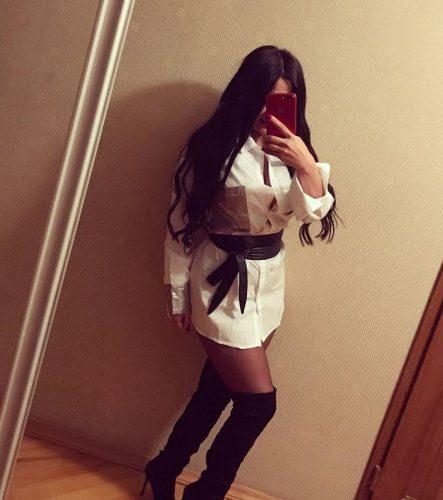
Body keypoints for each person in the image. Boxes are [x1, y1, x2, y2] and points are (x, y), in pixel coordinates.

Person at [140, 45, 340, 499]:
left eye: (281, 101)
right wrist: (177, 296)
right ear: (245, 94)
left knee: (215, 390)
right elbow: (179, 226)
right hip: (219, 284)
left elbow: (312, 214)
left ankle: (163, 469)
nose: (268, 113)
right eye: (263, 99)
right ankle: (207, 493)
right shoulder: (209, 148)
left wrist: (305, 164)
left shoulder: (294, 151)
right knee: (257, 405)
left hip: (268, 285)